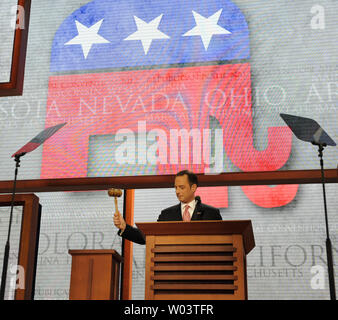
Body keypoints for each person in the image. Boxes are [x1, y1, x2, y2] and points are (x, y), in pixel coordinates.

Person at [113, 170, 222, 244]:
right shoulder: (167, 214)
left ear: (193, 187)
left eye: (181, 187)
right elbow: (148, 237)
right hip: (172, 271)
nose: (177, 191)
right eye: (175, 188)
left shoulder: (211, 213)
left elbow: (222, 242)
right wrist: (124, 227)